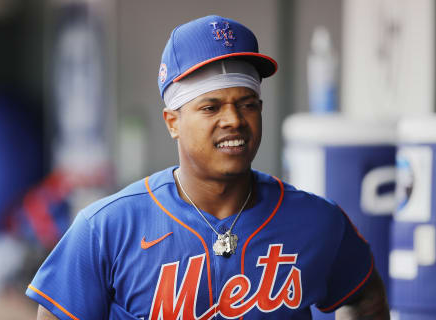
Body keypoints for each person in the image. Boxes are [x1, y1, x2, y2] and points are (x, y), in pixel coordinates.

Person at [26, 15, 389, 319]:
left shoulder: (315, 219)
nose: (233, 119)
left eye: (247, 104)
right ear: (172, 122)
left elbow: (367, 294)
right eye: (211, 107)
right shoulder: (106, 227)